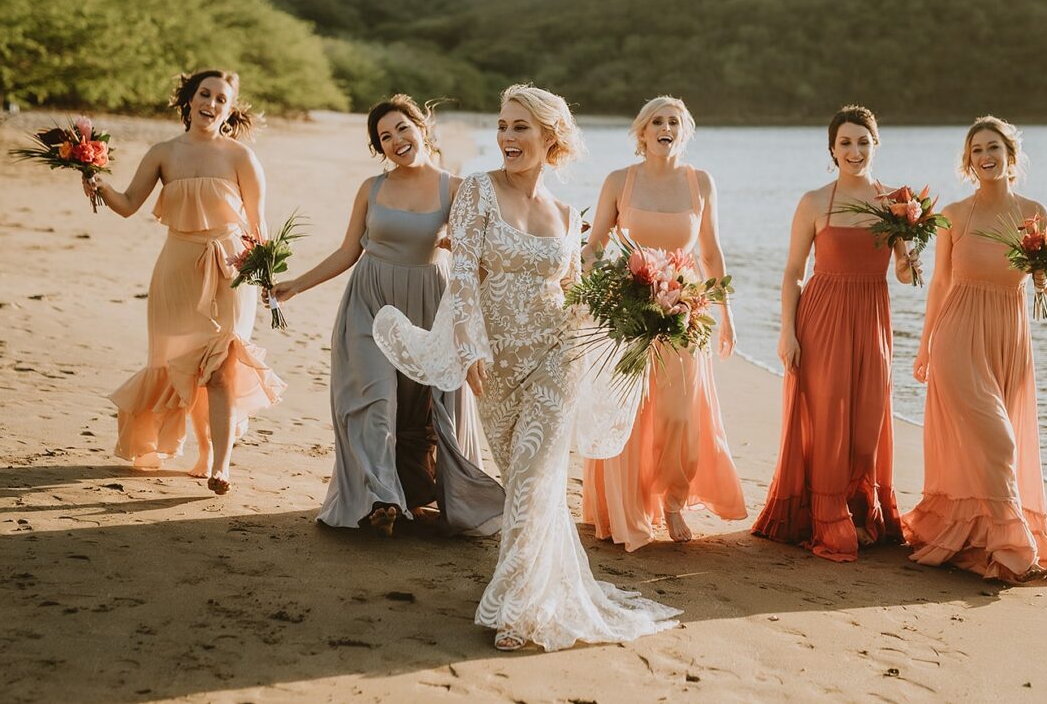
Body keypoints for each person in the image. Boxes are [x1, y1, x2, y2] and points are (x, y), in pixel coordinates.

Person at [374, 84, 680, 651]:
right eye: (502, 126)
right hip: (495, 362)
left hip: (555, 357)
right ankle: (542, 588)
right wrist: (469, 348)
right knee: (522, 484)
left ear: (549, 137)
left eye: (520, 128)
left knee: (538, 481)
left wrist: (643, 308)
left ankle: (516, 607)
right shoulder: (477, 194)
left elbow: (572, 291)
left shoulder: (566, 215)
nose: (507, 138)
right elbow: (463, 276)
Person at [272, 95, 503, 536]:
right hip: (370, 301)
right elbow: (348, 250)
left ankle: (433, 492)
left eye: (402, 128)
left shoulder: (455, 188)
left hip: (429, 307)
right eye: (385, 137)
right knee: (374, 398)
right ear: (379, 148)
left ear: (422, 127)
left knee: (437, 406)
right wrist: (297, 284)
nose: (396, 140)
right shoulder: (372, 188)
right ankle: (383, 499)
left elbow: (483, 257)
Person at [903, 117, 1047, 583]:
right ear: (969, 161)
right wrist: (925, 345)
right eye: (977, 149)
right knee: (999, 440)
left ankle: (983, 535)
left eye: (994, 148)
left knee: (998, 444)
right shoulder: (955, 216)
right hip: (957, 335)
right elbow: (940, 283)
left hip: (1009, 336)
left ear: (1010, 156)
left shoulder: (1034, 211)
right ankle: (1012, 545)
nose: (986, 156)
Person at [86, 70, 284, 495]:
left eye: (221, 99)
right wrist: (96, 180)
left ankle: (220, 462)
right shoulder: (164, 153)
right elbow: (126, 205)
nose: (210, 104)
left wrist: (267, 276)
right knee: (183, 367)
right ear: (189, 99)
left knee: (220, 369)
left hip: (230, 271)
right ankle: (201, 451)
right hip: (175, 271)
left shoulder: (241, 158)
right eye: (204, 94)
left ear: (230, 110)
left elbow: (258, 224)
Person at [580, 96, 746, 549]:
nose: (664, 127)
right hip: (628, 310)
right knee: (629, 413)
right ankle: (624, 506)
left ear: (683, 131)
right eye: (657, 121)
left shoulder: (701, 183)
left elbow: (711, 254)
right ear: (642, 132)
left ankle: (673, 501)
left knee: (678, 416)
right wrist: (589, 292)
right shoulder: (620, 181)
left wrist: (726, 314)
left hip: (685, 311)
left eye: (674, 121)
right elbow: (595, 245)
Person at [752, 105, 916, 560]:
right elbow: (792, 272)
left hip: (872, 315)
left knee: (868, 420)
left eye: (863, 141)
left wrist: (908, 261)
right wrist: (787, 331)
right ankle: (830, 515)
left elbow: (902, 273)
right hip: (822, 316)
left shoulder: (894, 203)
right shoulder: (813, 202)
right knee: (827, 419)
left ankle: (862, 508)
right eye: (845, 142)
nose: (855, 150)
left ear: (875, 145)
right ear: (832, 149)